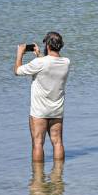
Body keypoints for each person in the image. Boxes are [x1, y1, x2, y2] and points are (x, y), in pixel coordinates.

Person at [14, 32, 70, 162]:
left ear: (48, 45)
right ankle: (58, 176)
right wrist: (39, 55)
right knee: (57, 143)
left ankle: (38, 177)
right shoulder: (66, 62)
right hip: (57, 110)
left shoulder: (39, 63)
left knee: (38, 143)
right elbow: (49, 65)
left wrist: (20, 54)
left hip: (39, 112)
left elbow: (17, 71)